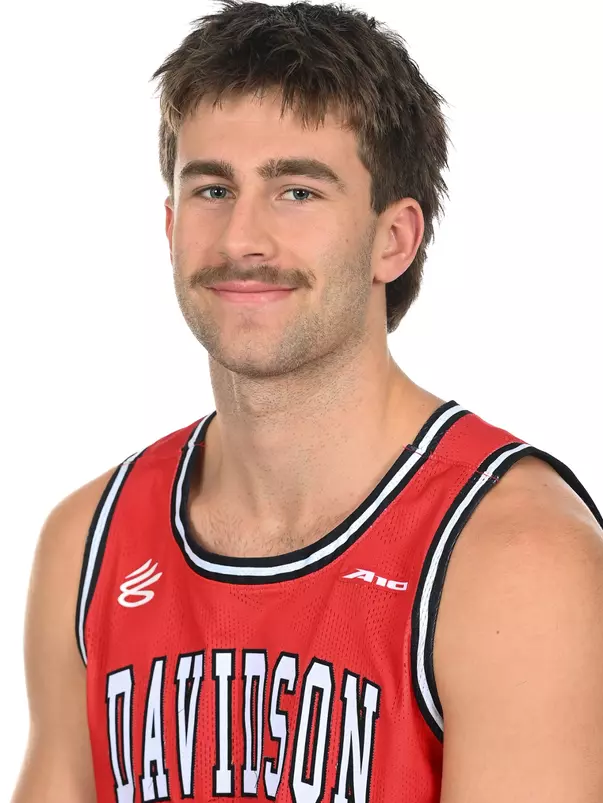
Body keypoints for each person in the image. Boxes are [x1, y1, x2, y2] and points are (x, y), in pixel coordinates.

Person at [12, 1, 603, 801]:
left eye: (296, 191)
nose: (241, 239)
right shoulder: (88, 542)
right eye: (212, 188)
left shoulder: (515, 558)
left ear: (393, 238)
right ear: (170, 220)